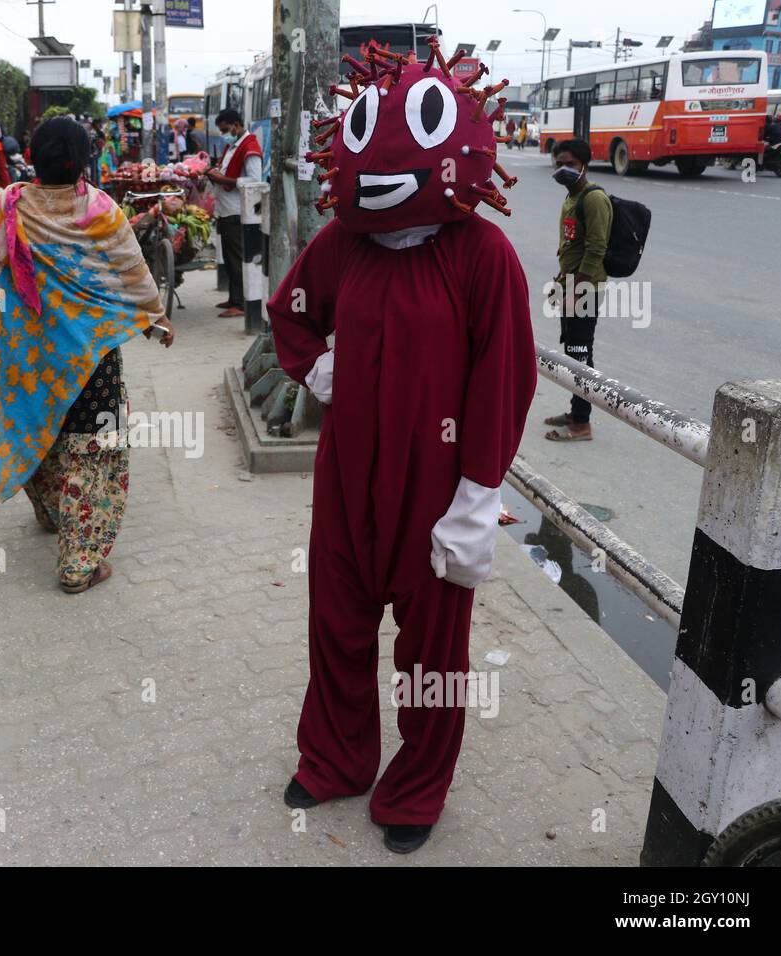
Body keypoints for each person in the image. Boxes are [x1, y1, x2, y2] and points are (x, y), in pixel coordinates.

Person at [266, 44, 536, 854]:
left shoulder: (481, 255)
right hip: (346, 477)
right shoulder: (343, 244)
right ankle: (338, 758)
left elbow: (505, 379)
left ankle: (417, 785)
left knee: (432, 648)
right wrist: (317, 365)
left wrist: (478, 496)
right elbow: (292, 311)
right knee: (337, 623)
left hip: (437, 491)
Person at [0, 117, 174, 593]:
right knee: (91, 448)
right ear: (83, 160)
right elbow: (131, 272)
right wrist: (156, 319)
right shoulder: (99, 209)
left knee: (39, 426)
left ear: (33, 158)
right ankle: (79, 562)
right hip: (87, 357)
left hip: (23, 354)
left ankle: (54, 511)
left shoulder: (9, 205)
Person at [545, 138, 612, 443]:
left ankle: (582, 423)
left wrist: (577, 289)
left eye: (569, 164)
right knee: (572, 352)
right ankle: (576, 411)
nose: (562, 169)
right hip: (570, 284)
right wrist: (562, 280)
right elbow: (572, 243)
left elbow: (597, 247)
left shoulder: (594, 198)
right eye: (559, 163)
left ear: (584, 164)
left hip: (585, 288)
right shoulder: (571, 196)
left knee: (580, 353)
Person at [207, 108, 262, 318]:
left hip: (237, 211)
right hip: (225, 209)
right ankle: (233, 298)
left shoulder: (249, 146)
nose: (224, 134)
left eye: (225, 129)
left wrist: (224, 181)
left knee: (236, 258)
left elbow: (255, 179)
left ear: (236, 125)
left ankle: (240, 304)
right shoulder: (234, 146)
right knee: (229, 259)